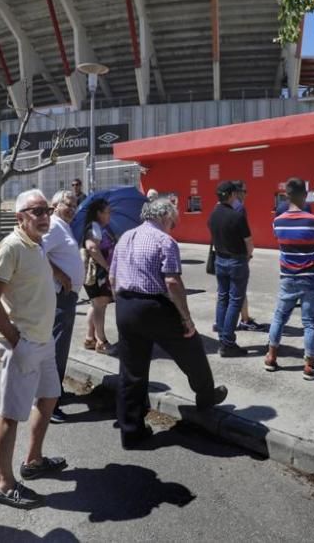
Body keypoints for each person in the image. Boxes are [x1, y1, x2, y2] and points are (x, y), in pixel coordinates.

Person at [110, 197, 228, 448]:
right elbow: (172, 282)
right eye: (173, 222)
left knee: (132, 371)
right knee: (191, 347)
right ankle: (206, 396)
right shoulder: (165, 241)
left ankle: (130, 431)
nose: (172, 226)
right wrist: (186, 318)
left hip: (125, 304)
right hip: (153, 306)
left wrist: (121, 304)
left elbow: (112, 276)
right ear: (165, 217)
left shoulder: (125, 237)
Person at [0, 190, 67, 510]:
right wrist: (16, 343)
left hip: (44, 342)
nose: (44, 215)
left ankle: (33, 460)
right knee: (11, 414)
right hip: (25, 344)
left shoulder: (37, 243)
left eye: (46, 209)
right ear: (20, 217)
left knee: (49, 397)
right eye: (36, 211)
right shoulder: (12, 246)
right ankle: (4, 482)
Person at [262, 178, 314, 380]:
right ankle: (309, 365)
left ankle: (271, 358)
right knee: (309, 322)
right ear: (305, 195)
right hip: (309, 277)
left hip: (287, 277)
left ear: (286, 195)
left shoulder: (277, 221)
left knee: (279, 318)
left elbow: (281, 242)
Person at [42, 190, 84, 424]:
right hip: (60, 296)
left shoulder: (62, 226)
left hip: (65, 296)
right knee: (56, 348)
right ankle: (50, 403)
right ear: (55, 205)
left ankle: (54, 393)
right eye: (67, 204)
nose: (72, 208)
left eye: (74, 205)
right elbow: (36, 251)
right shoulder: (54, 226)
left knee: (60, 346)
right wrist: (60, 275)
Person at [208, 181, 253, 357]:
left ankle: (222, 337)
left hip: (220, 259)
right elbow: (249, 243)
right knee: (235, 301)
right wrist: (247, 257)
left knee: (222, 298)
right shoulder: (237, 216)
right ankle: (228, 342)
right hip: (236, 261)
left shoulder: (212, 215)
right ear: (232, 194)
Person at [82, 198, 117, 354]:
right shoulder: (95, 227)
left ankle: (90, 338)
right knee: (100, 305)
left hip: (98, 274)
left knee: (96, 305)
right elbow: (92, 248)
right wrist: (107, 266)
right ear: (98, 213)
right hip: (98, 274)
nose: (110, 214)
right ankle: (101, 342)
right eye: (107, 212)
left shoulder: (99, 227)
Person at [231, 180, 260, 330]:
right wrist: (248, 254)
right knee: (239, 288)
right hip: (238, 255)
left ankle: (221, 320)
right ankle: (245, 319)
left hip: (223, 254)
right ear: (238, 192)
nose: (246, 194)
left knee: (224, 290)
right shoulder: (239, 208)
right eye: (245, 191)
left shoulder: (220, 206)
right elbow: (245, 236)